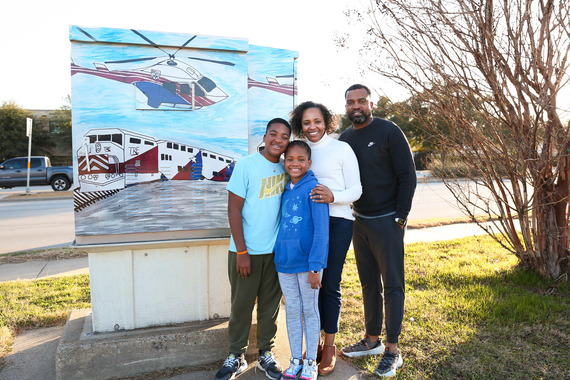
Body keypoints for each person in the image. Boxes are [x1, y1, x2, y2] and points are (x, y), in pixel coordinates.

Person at [339, 84, 416, 378]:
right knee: (369, 284)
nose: (356, 106)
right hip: (359, 220)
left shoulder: (389, 131)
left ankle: (392, 351)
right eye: (350, 102)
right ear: (346, 106)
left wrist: (401, 217)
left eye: (361, 101)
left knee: (393, 286)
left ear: (371, 103)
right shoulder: (345, 139)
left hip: (388, 220)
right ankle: (372, 340)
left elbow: (407, 176)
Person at [289, 101, 362, 376]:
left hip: (338, 223)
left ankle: (329, 346)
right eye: (306, 122)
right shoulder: (301, 151)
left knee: (330, 283)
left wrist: (334, 196)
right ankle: (315, 342)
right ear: (300, 125)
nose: (312, 127)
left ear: (326, 121)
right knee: (312, 285)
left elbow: (357, 189)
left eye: (317, 121)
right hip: (307, 225)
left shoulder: (341, 148)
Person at [215, 118, 291, 380]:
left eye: (284, 136)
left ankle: (265, 354)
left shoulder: (286, 168)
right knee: (241, 306)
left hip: (274, 254)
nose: (278, 140)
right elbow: (233, 210)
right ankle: (236, 355)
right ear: (265, 136)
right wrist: (242, 252)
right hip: (244, 252)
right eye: (273, 134)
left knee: (270, 307)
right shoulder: (246, 165)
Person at [274, 140, 330, 380]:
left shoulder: (314, 188)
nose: (294, 163)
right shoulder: (286, 189)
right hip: (285, 263)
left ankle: (310, 362)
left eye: (300, 160)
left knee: (309, 309)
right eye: (289, 159)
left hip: (308, 265)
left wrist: (316, 267)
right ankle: (295, 359)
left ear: (309, 162)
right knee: (292, 310)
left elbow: (322, 230)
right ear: (284, 162)